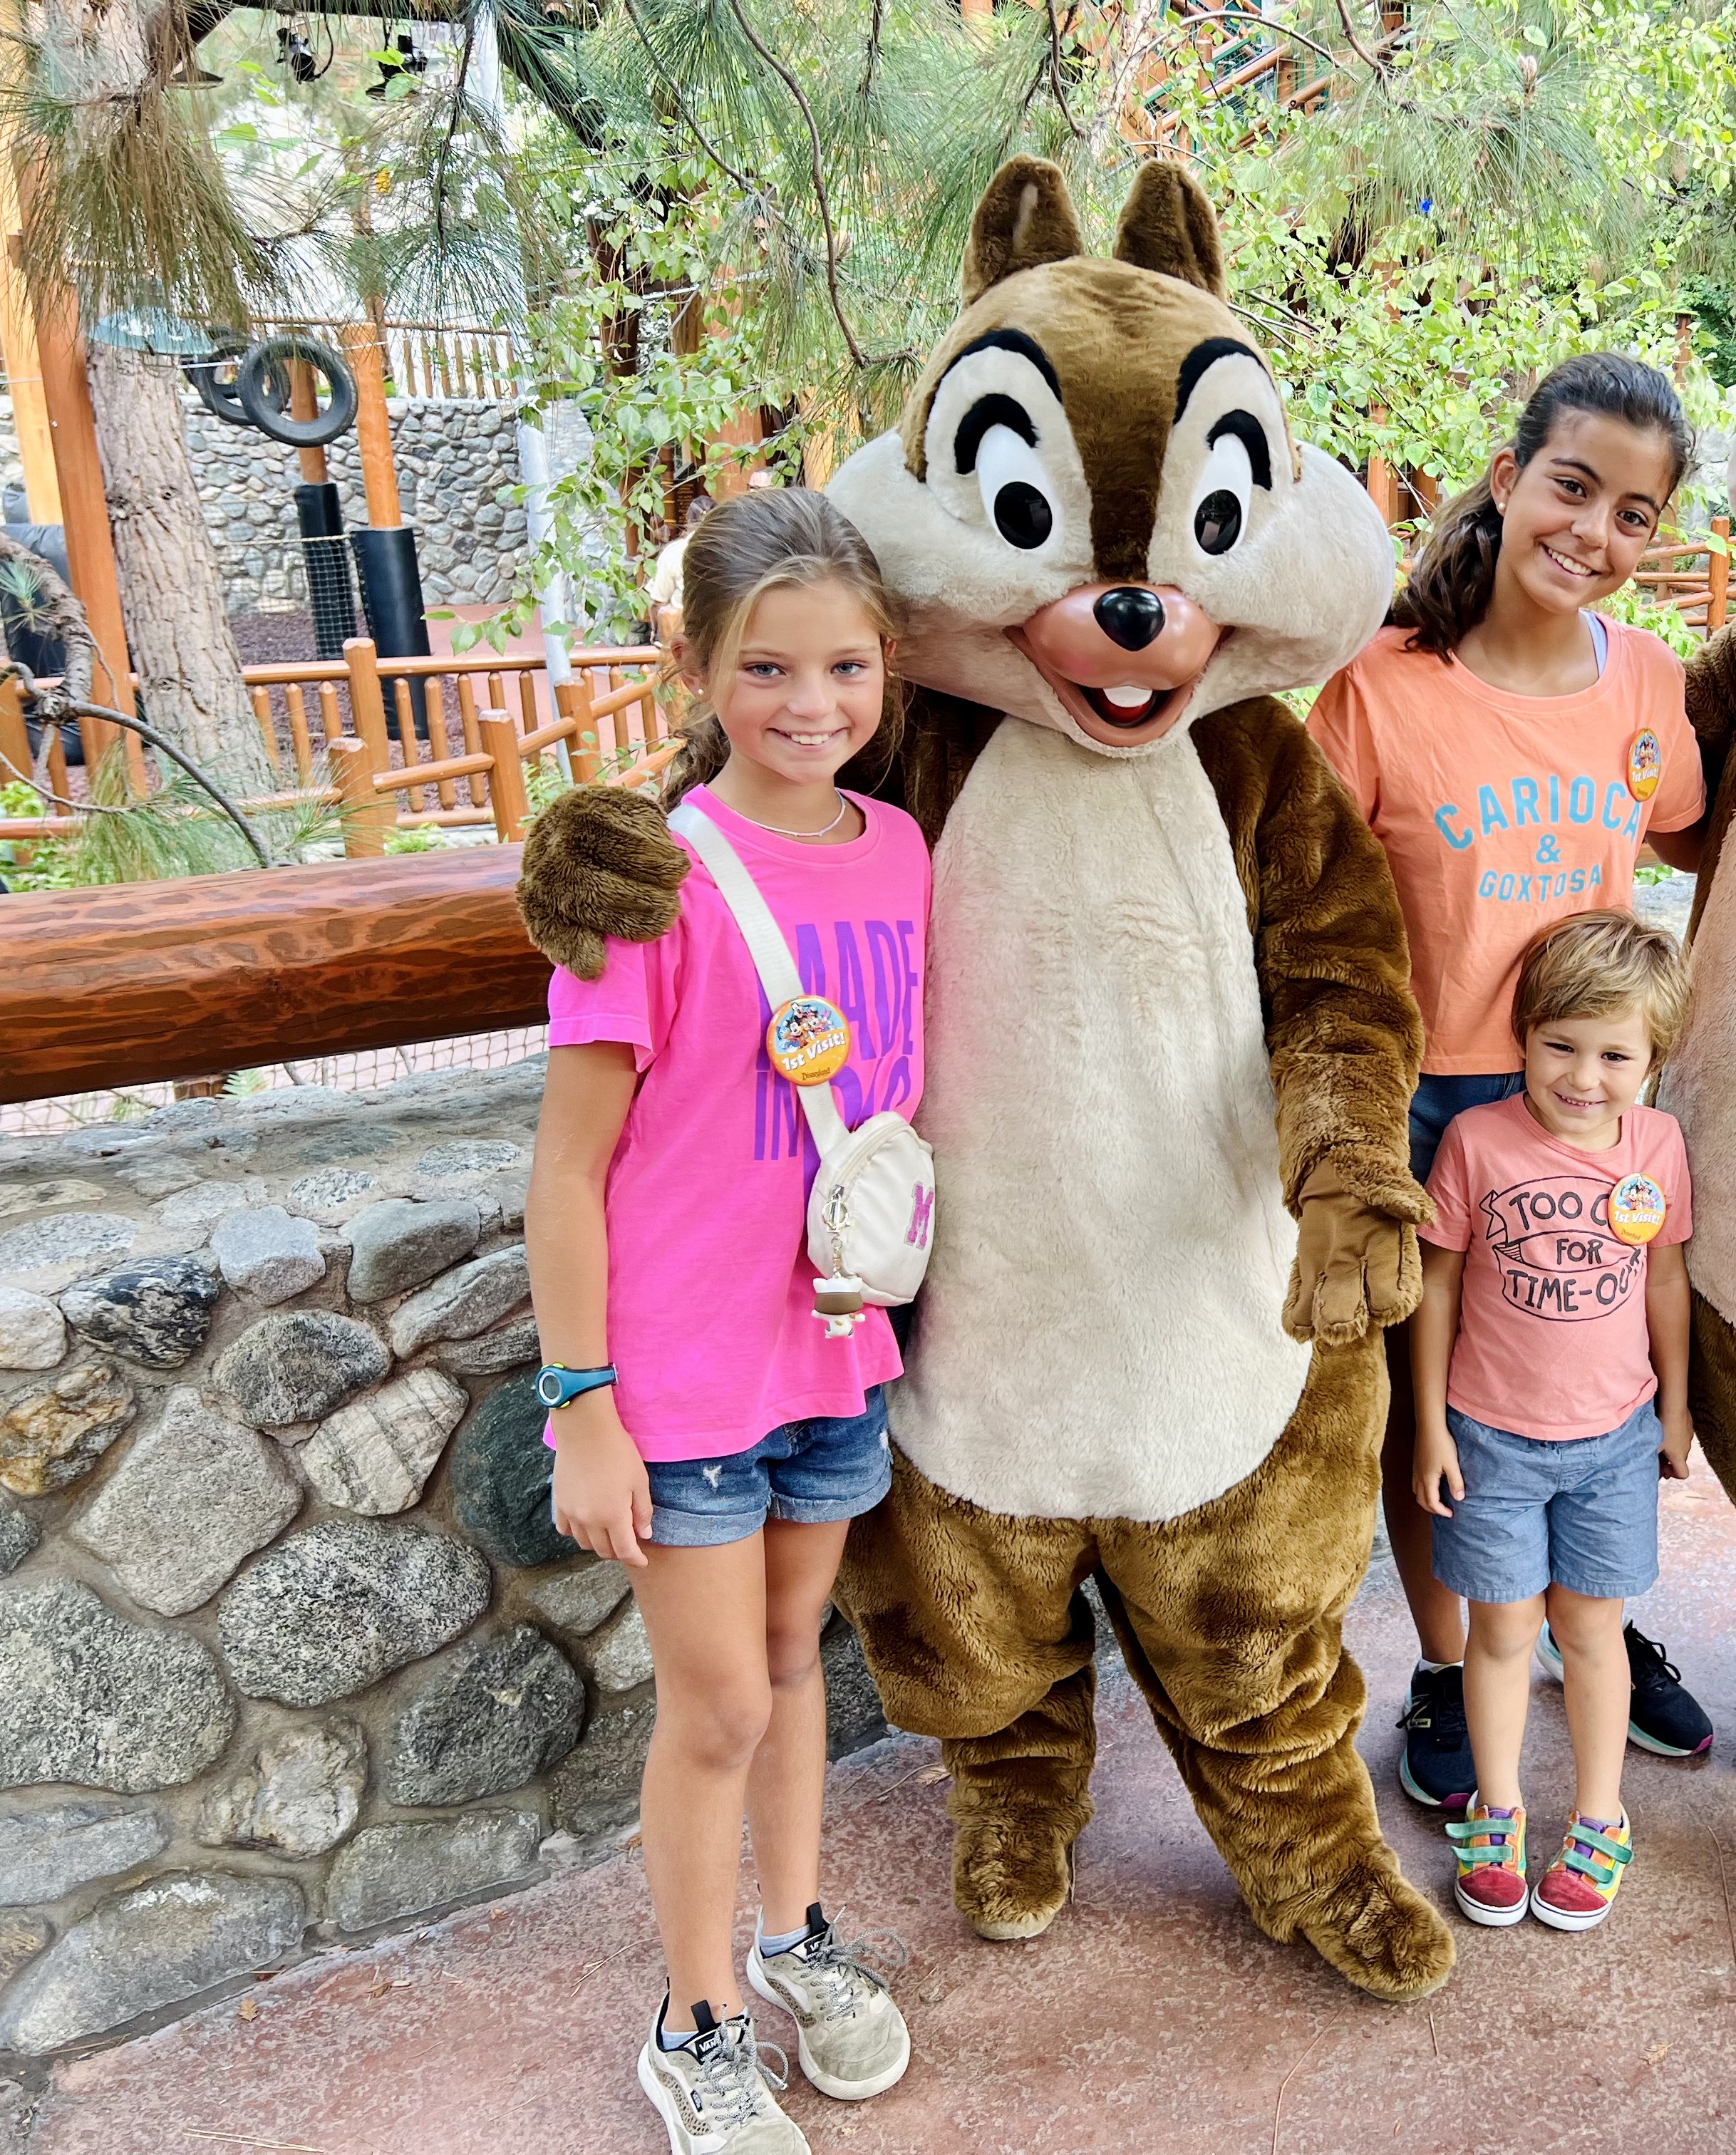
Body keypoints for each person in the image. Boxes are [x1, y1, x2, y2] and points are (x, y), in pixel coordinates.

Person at [527, 487, 926, 2155]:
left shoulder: (900, 852)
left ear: (890, 666)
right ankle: (693, 2024)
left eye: (845, 667)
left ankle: (793, 1938)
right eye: (768, 669)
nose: (811, 705)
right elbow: (567, 1171)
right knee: (720, 1712)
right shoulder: (649, 883)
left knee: (790, 1665)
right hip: (684, 1383)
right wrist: (584, 1403)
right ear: (697, 665)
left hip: (835, 1350)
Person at [1307, 353, 1717, 1812]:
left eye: (1638, 513)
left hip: (1594, 1108)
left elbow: (1687, 837)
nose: (1598, 533)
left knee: (1585, 1384)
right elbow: (1306, 897)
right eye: (1574, 487)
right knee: (1451, 1410)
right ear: (1507, 474)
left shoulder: (1652, 686)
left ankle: (1584, 1621)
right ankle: (1449, 1657)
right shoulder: (1377, 688)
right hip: (1437, 1106)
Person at [1409, 911, 1694, 1931]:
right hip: (1488, 1438)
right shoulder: (1477, 1143)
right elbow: (1436, 1285)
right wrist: (1432, 1427)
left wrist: (1678, 1404)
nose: (1583, 1076)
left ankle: (1600, 1817)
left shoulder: (1658, 1147)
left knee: (1590, 1629)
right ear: (1522, 1037)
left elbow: (1665, 1280)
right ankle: (1499, 1809)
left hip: (1614, 1440)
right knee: (1501, 1629)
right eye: (1559, 1046)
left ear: (1653, 1057)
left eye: (1616, 1054)